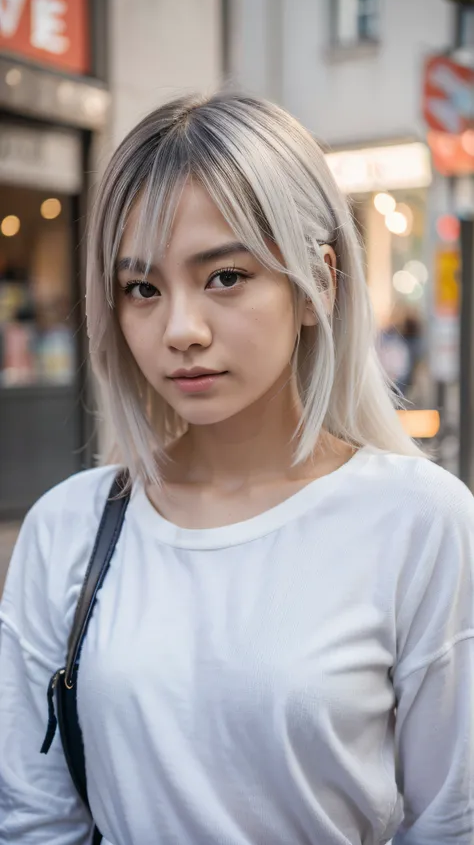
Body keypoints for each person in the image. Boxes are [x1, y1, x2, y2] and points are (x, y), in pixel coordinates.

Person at [0, 92, 473, 845]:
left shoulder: (420, 521)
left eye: (225, 276)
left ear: (318, 282)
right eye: (142, 288)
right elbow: (35, 818)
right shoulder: (67, 528)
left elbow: (450, 819)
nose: (181, 329)